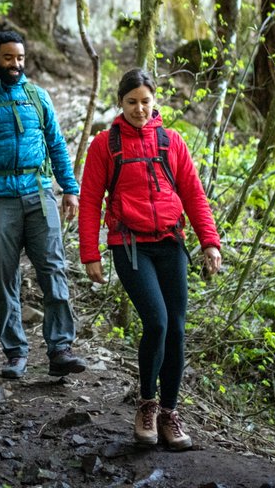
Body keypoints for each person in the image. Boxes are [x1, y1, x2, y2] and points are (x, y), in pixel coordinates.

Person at [78, 68, 222, 450]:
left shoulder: (171, 141)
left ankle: (170, 414)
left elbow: (193, 194)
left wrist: (210, 242)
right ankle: (146, 404)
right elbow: (90, 200)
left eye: (145, 101)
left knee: (176, 328)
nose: (139, 109)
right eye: (131, 102)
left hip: (171, 244)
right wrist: (90, 253)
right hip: (129, 246)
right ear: (120, 104)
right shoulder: (104, 146)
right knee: (156, 322)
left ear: (154, 100)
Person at [0, 31, 87, 380]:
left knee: (53, 270)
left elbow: (56, 145)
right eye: (8, 58)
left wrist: (69, 188)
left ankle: (60, 349)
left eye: (20, 58)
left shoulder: (38, 97)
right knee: (5, 275)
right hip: (0, 199)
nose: (16, 64)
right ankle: (15, 353)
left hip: (40, 194)